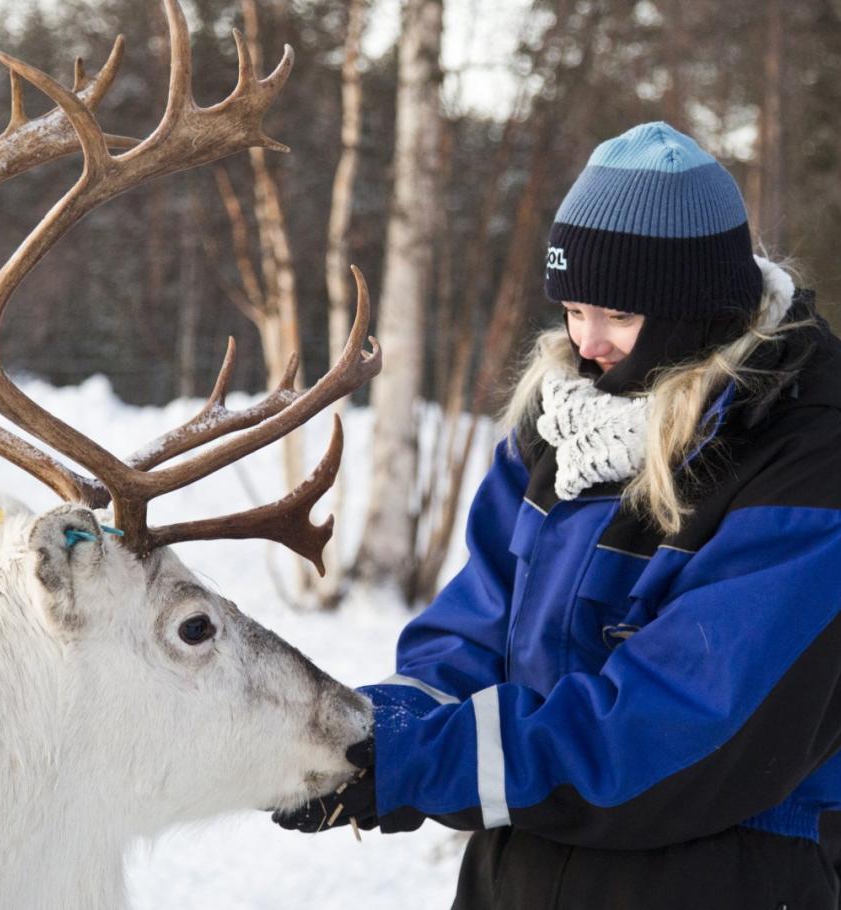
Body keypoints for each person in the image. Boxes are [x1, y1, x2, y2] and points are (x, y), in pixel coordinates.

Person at [274, 122, 841, 909]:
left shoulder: (804, 457)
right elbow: (472, 636)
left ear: (696, 311)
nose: (587, 341)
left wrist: (419, 763)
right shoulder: (564, 424)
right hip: (521, 876)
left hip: (722, 880)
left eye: (616, 315)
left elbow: (671, 728)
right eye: (572, 308)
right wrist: (364, 734)